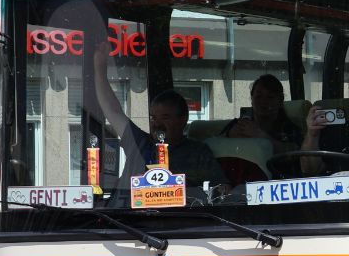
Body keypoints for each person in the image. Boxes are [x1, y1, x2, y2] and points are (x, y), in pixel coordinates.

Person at [90, 43, 227, 190]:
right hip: (124, 212)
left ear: (183, 119)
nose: (157, 124)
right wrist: (99, 66)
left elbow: (222, 188)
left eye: (165, 117)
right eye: (153, 118)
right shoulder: (139, 143)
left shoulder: (197, 152)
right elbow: (112, 110)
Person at [225, 74, 303, 153]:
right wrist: (229, 136)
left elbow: (297, 154)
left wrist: (261, 137)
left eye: (270, 97)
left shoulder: (289, 129)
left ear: (280, 100)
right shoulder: (238, 125)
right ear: (252, 99)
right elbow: (215, 144)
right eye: (258, 96)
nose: (263, 102)